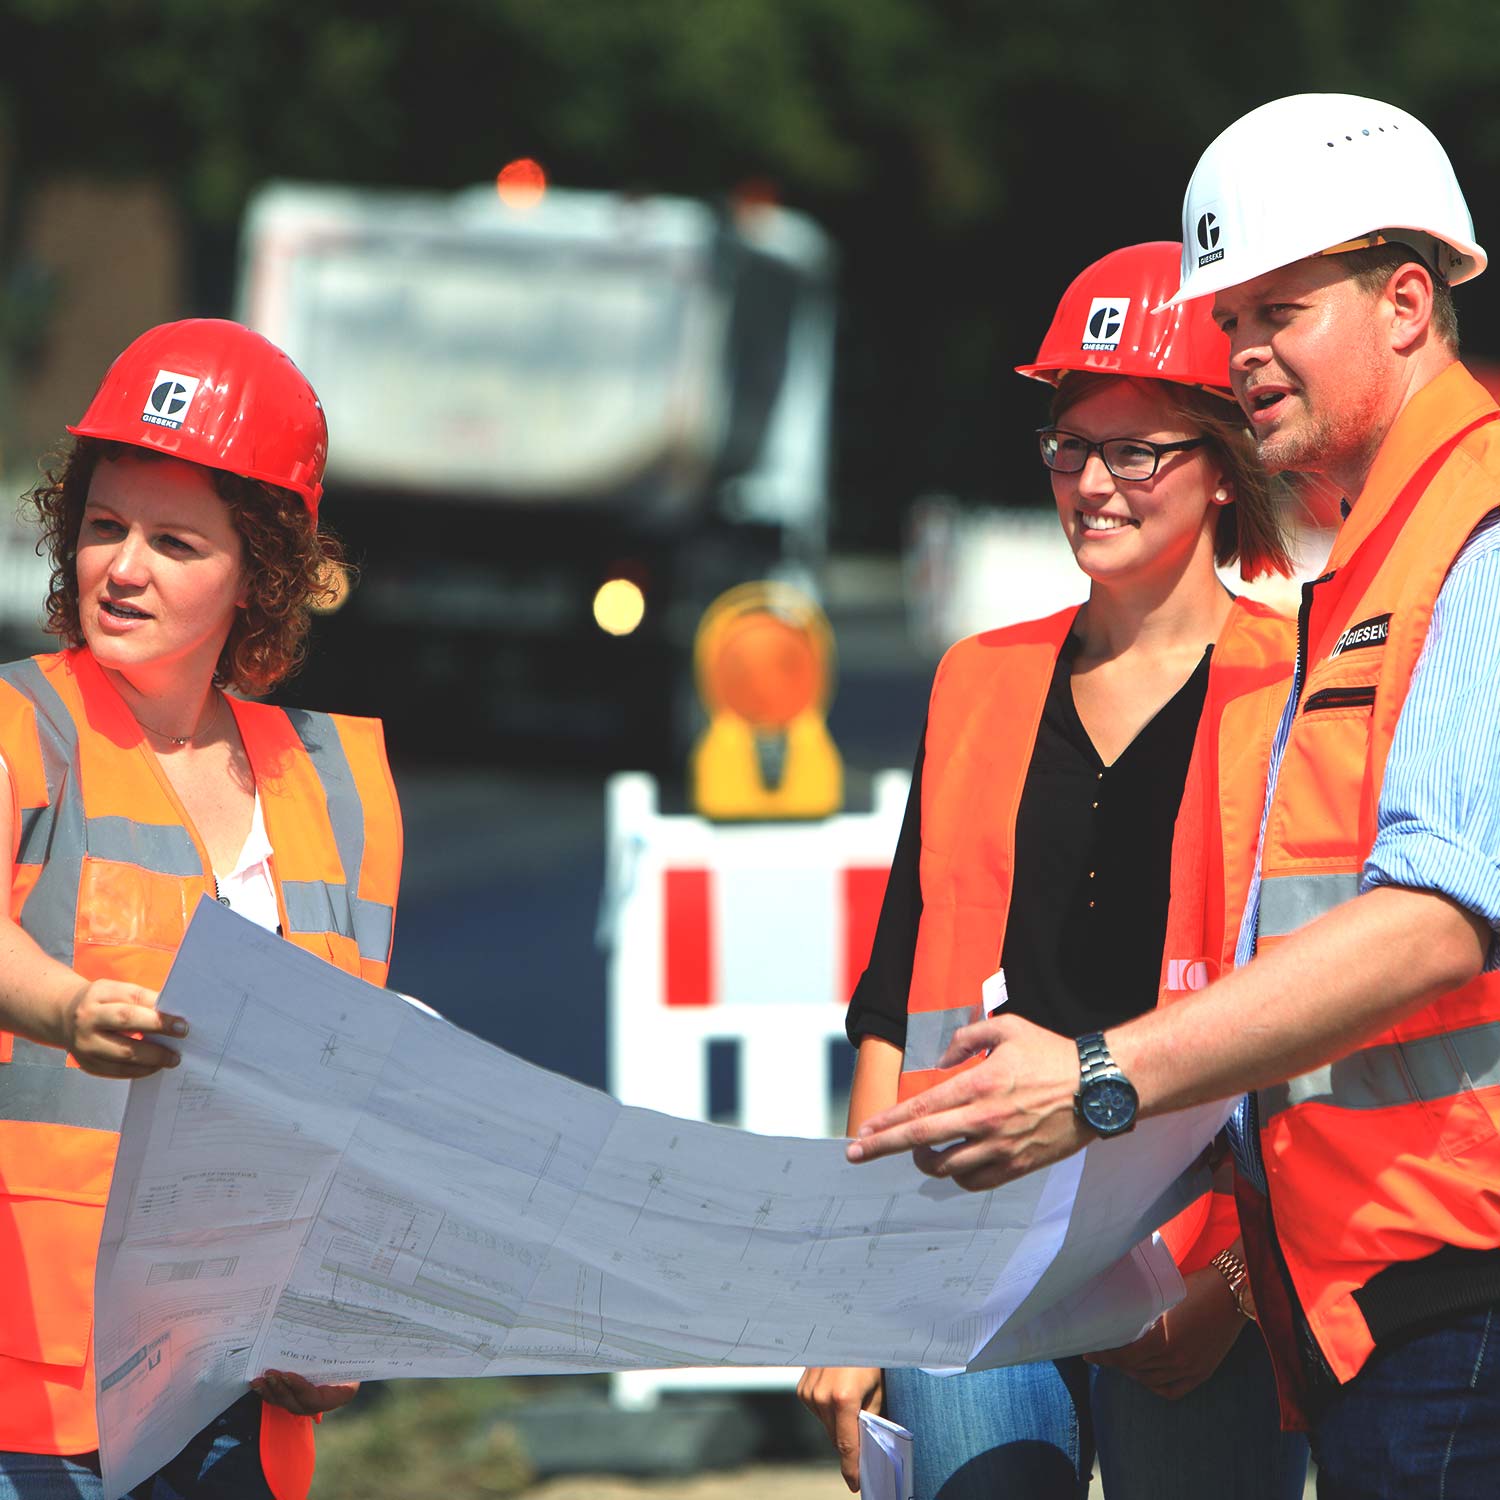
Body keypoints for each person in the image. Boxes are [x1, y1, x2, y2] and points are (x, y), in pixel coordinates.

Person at [847, 92, 1500, 1500]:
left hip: (1395, 1277)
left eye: (1280, 311)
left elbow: (1441, 914)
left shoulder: (1449, 549)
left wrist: (1098, 1087)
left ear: (1404, 302)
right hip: (1333, 1279)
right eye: (1236, 319)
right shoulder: (1374, 572)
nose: (1248, 351)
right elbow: (903, 985)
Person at [800, 242, 1307, 1499]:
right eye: (1071, 445)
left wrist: (1235, 1286)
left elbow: (1324, 1024)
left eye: (1135, 450)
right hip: (973, 1245)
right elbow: (896, 1002)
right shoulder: (980, 678)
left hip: (1204, 1261)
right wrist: (866, 1282)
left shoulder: (1301, 690)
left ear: (1225, 466)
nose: (1092, 483)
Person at [0, 319, 402, 1500]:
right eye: (105, 525)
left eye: (175, 541)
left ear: (260, 573)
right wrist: (67, 1007)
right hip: (38, 1398)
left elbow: (350, 1094)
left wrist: (341, 1321)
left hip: (238, 1390)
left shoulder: (337, 788)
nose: (122, 567)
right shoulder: (23, 729)